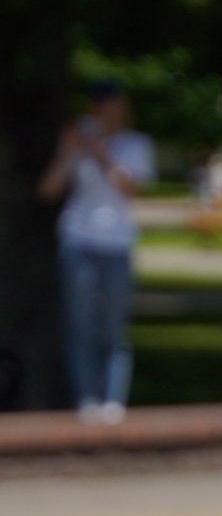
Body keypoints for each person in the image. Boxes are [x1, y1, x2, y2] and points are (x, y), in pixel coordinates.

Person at [37, 81, 156, 424]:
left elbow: (131, 188)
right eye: (97, 105)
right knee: (80, 326)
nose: (103, 111)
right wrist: (68, 152)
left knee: (113, 329)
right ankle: (86, 400)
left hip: (116, 245)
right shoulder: (78, 143)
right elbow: (48, 190)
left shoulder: (136, 144)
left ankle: (112, 400)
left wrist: (102, 153)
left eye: (109, 104)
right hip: (78, 239)